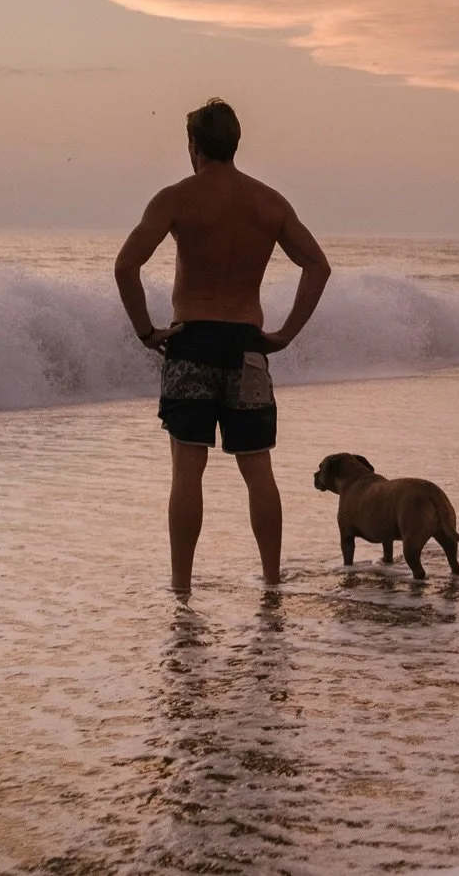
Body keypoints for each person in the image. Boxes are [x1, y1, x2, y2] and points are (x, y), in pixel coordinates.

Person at [114, 98, 331, 591]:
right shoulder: (269, 202)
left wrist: (146, 332)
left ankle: (181, 585)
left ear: (193, 146)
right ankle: (272, 580)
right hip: (247, 345)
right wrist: (286, 332)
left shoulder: (176, 197)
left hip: (191, 343)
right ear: (235, 143)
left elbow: (125, 266)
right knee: (258, 469)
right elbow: (317, 266)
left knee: (188, 470)